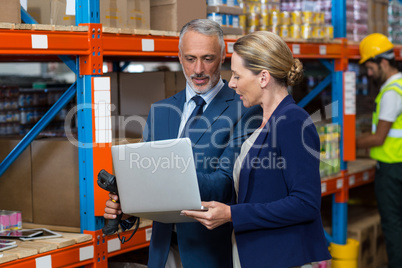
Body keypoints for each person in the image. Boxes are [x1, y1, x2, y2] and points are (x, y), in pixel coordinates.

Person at [104, 19, 262, 268]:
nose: (198, 69)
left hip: (210, 250)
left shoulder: (245, 109)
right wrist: (128, 204)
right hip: (163, 249)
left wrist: (165, 173)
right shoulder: (161, 111)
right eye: (190, 59)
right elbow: (147, 184)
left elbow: (227, 184)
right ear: (179, 57)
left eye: (207, 58)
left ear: (223, 56)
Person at [182, 31, 331, 267]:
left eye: (237, 76)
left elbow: (306, 203)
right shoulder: (260, 122)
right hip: (256, 253)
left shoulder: (292, 122)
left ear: (263, 78)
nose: (231, 83)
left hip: (282, 258)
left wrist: (232, 214)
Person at [356, 33, 402, 268]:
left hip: (393, 170)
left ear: (384, 62)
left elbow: (378, 137)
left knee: (393, 226)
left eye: (371, 67)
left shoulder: (392, 92)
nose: (370, 74)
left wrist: (345, 143)